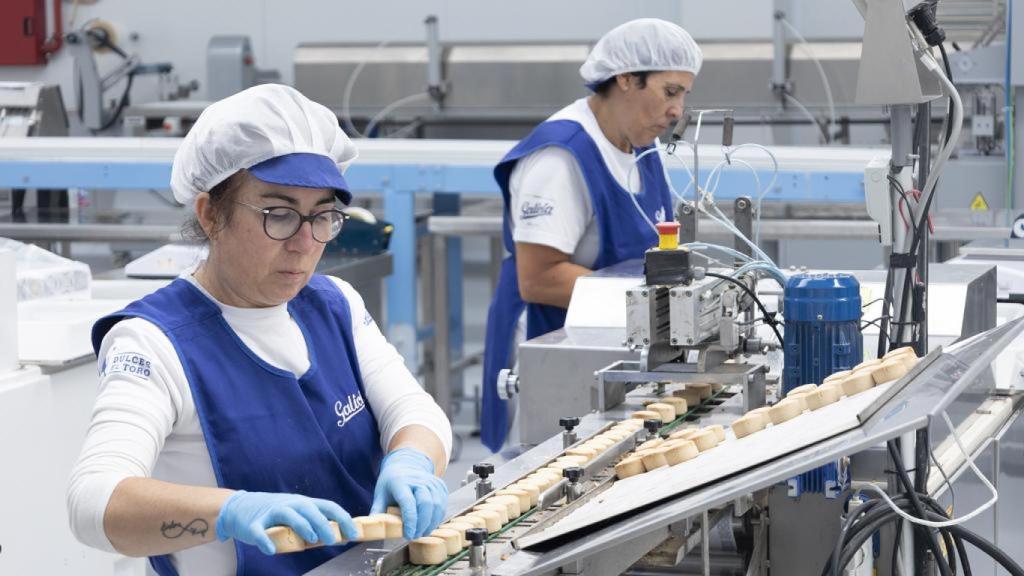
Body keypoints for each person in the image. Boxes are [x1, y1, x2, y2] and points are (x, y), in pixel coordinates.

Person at [68, 84, 452, 575]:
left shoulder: (335, 304)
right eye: (279, 214)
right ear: (210, 214)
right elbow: (92, 502)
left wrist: (413, 461)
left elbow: (415, 410)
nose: (305, 243)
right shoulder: (155, 342)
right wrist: (229, 512)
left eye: (323, 216)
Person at [481, 19, 703, 452]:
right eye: (669, 91)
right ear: (625, 79)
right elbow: (539, 278)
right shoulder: (561, 158)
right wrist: (655, 311)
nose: (677, 111)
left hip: (606, 356)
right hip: (551, 360)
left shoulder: (642, 146)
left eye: (683, 96)